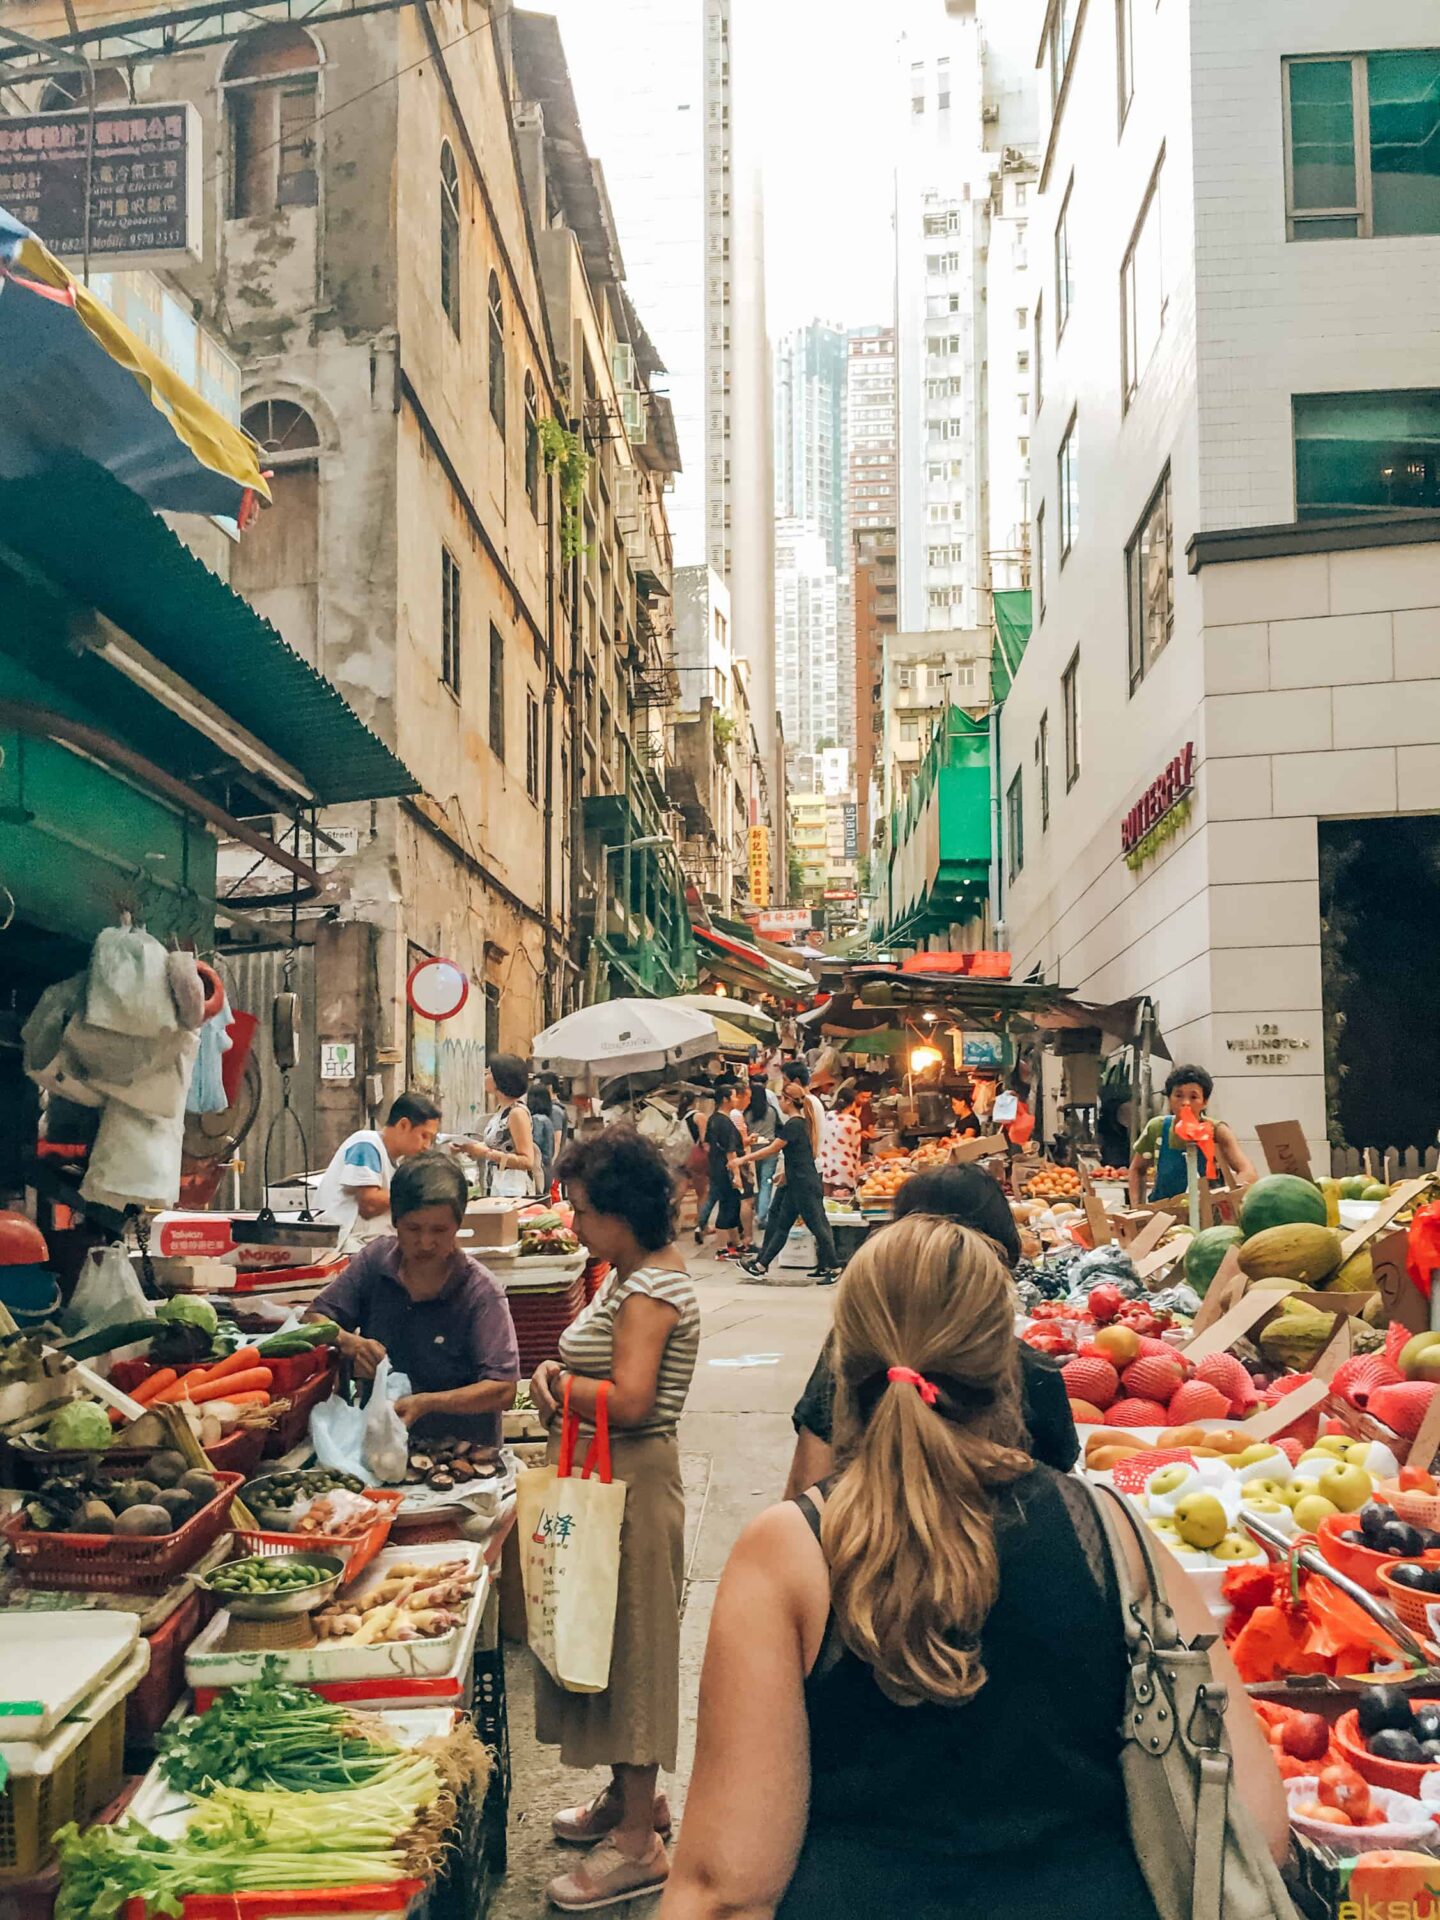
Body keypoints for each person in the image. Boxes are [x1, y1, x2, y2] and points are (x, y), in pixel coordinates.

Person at [663, 1216, 1288, 1920]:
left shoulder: (788, 1553)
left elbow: (724, 1890)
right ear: (1008, 1366)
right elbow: (1257, 1824)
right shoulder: (1113, 1535)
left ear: (841, 1364)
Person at [531, 1128, 700, 1913]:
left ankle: (639, 1844)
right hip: (606, 1474)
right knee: (600, 1637)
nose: (573, 1224)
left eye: (583, 1210)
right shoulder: (627, 1276)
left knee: (632, 1651)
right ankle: (631, 1800)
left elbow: (630, 1402)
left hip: (632, 1478)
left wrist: (557, 1383)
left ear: (620, 1214)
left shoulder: (652, 1292)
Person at [783, 1163, 1077, 1502]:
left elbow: (804, 1486)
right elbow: (1061, 1505)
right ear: (998, 1264)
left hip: (848, 1542)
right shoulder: (1035, 1374)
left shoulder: (850, 1352)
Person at [306, 1152, 518, 1441]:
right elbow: (313, 1318)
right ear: (395, 1221)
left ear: (458, 1225)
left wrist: (427, 1403)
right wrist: (348, 1343)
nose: (426, 1243)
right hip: (375, 1445)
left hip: (461, 1456)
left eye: (439, 1230)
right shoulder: (374, 1263)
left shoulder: (480, 1292)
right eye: (413, 1228)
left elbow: (502, 1389)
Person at [738, 1084, 841, 1283]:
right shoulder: (799, 1124)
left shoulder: (794, 1124)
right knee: (783, 1224)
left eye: (781, 1099)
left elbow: (773, 1148)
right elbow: (797, 1156)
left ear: (787, 1100)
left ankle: (835, 1267)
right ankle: (761, 1265)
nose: (780, 1103)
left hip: (804, 1185)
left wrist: (742, 1160)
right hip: (797, 1183)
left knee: (817, 1226)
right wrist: (785, 1174)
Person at [314, 1092, 442, 1252]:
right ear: (403, 1125)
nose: (426, 1146)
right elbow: (369, 1204)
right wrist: (418, 1197)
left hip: (369, 1246)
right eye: (424, 1136)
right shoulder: (366, 1144)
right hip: (345, 1246)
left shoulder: (397, 1165)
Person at [1128, 1063, 1258, 1206]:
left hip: (1209, 1215)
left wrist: (1230, 1197)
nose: (1185, 1103)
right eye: (1178, 1095)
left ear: (1205, 1102)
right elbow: (1137, 1169)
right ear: (1170, 1098)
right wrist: (1137, 1207)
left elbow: (1247, 1171)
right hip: (1162, 1214)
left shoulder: (1217, 1131)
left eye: (1193, 1097)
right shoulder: (1157, 1128)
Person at [459, 1055, 538, 1196]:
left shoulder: (517, 1113)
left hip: (513, 1189)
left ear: (500, 1079)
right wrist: (467, 1146)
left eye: (489, 1072)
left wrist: (486, 1153)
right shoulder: (501, 1111)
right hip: (496, 1184)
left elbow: (527, 1160)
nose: (485, 1076)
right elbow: (497, 1145)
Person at [696, 1082, 747, 1258]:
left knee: (732, 1205)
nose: (735, 1099)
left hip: (716, 1168)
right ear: (725, 1099)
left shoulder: (713, 1119)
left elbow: (709, 1145)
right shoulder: (724, 1122)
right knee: (727, 1206)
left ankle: (737, 1244)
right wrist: (737, 1174)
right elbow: (730, 1151)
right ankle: (722, 1248)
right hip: (726, 1169)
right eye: (733, 1095)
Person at [745, 1075, 780, 1228]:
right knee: (767, 1183)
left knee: (757, 1183)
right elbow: (779, 1128)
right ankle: (762, 1216)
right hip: (770, 1150)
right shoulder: (771, 1111)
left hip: (753, 1151)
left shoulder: (747, 1114)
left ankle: (758, 1210)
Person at [816, 1082, 863, 1195]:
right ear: (852, 1104)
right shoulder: (853, 1121)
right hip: (844, 1169)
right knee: (841, 1203)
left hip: (826, 1167)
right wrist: (858, 1170)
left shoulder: (827, 1116)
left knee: (826, 1202)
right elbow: (856, 1149)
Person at [527, 1084, 558, 1196]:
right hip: (548, 1169)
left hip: (538, 1171)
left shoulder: (536, 1120)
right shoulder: (547, 1120)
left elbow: (535, 1145)